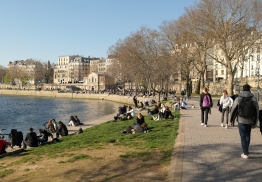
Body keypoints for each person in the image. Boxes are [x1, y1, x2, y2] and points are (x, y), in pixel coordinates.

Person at [230, 84, 259, 159]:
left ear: (242, 89)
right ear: (249, 90)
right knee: (248, 135)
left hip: (241, 119)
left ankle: (245, 153)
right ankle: (246, 150)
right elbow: (257, 111)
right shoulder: (254, 99)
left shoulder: (238, 98)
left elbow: (233, 109)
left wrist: (231, 119)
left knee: (242, 136)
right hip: (250, 120)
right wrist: (255, 122)